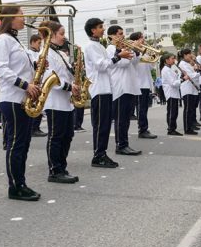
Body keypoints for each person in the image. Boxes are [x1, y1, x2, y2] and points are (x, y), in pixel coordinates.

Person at [0, 5, 45, 201]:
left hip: (21, 98)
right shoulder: (3, 40)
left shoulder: (15, 41)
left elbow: (17, 67)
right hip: (13, 98)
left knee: (23, 143)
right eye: (21, 15)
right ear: (10, 18)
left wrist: (36, 66)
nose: (24, 18)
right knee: (16, 144)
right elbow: (0, 69)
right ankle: (15, 186)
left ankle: (20, 183)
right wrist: (25, 85)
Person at [83, 19, 128, 168]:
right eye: (100, 27)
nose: (103, 29)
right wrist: (118, 56)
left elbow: (107, 63)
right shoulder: (90, 46)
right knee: (101, 125)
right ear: (92, 30)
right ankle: (98, 155)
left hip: (106, 89)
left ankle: (101, 153)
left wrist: (117, 53)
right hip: (99, 89)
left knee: (105, 124)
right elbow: (102, 65)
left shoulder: (98, 45)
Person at [38, 21, 79, 183]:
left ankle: (62, 166)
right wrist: (70, 86)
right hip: (54, 101)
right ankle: (55, 170)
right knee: (56, 136)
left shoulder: (60, 53)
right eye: (61, 34)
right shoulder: (45, 53)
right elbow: (50, 78)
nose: (64, 37)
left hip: (66, 101)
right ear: (51, 35)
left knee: (68, 135)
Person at [132, 32, 157, 140]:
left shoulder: (145, 52)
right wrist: (138, 50)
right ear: (135, 40)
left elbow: (151, 67)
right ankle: (142, 129)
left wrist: (152, 57)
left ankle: (144, 128)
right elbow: (133, 63)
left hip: (146, 83)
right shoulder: (134, 52)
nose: (143, 40)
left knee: (145, 108)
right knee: (141, 108)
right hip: (139, 84)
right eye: (141, 38)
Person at [26, 34, 46, 138]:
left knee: (39, 105)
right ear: (32, 42)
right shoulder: (29, 53)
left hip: (39, 81)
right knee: (35, 104)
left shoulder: (38, 53)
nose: (39, 45)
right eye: (39, 43)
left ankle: (36, 127)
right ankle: (34, 128)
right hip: (33, 81)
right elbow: (34, 65)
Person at [178, 49, 201, 135]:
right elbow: (191, 76)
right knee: (188, 109)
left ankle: (190, 125)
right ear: (184, 55)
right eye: (189, 54)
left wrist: (196, 69)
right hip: (187, 89)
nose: (191, 56)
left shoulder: (188, 64)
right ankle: (187, 128)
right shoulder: (182, 64)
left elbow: (193, 73)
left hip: (192, 88)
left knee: (191, 109)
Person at [160, 54, 182, 135]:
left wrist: (180, 76)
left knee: (175, 112)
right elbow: (173, 83)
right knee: (172, 112)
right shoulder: (165, 70)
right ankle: (170, 129)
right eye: (172, 58)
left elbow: (176, 79)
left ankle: (173, 128)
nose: (174, 60)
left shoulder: (171, 69)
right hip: (170, 93)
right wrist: (182, 79)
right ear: (166, 60)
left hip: (174, 93)